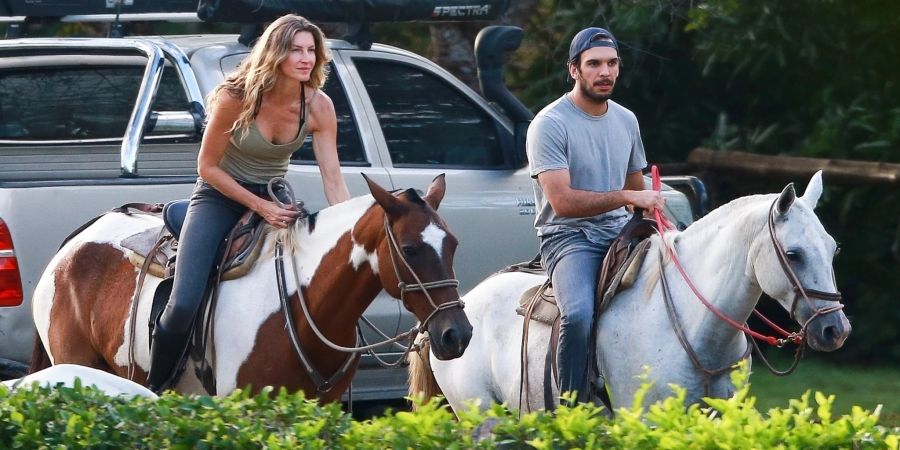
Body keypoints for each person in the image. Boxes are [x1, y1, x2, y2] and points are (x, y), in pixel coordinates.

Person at [147, 14, 351, 393]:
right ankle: (154, 390)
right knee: (183, 305)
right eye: (295, 50)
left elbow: (334, 179)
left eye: (311, 50)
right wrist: (259, 208)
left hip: (275, 194)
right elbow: (206, 167)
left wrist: (350, 229)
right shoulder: (236, 97)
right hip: (218, 196)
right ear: (275, 54)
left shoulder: (319, 107)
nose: (306, 59)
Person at [525, 27, 665, 404]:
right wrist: (626, 195)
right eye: (594, 64)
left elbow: (636, 190)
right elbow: (564, 203)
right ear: (574, 70)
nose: (605, 72)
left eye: (612, 63)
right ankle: (572, 410)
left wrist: (652, 213)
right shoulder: (549, 124)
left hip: (620, 230)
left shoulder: (626, 120)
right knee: (580, 315)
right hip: (569, 238)